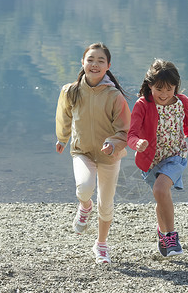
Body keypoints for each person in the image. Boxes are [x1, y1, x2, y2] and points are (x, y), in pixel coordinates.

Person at [128, 59, 188, 257]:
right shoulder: (143, 105)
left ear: (176, 86)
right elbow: (131, 133)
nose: (164, 94)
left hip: (175, 155)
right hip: (149, 160)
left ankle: (171, 236)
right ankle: (162, 234)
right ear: (150, 85)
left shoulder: (182, 101)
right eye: (159, 88)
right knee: (161, 195)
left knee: (161, 189)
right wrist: (138, 144)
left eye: (169, 88)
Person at [55, 42, 131, 264]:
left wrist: (113, 142)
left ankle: (101, 245)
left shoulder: (114, 96)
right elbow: (64, 116)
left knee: (106, 204)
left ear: (108, 66)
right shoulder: (71, 91)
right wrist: (62, 137)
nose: (95, 64)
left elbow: (125, 129)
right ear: (83, 62)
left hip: (109, 156)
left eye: (100, 61)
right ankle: (84, 206)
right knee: (85, 187)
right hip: (82, 151)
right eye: (90, 59)